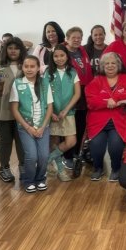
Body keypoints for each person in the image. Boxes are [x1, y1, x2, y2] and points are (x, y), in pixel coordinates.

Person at [86, 52, 126, 181]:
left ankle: (116, 169)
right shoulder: (96, 81)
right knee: (96, 146)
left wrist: (117, 98)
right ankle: (98, 168)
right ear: (102, 66)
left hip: (120, 120)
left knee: (115, 145)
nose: (110, 66)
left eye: (113, 63)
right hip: (98, 121)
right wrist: (108, 102)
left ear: (118, 65)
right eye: (107, 63)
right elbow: (91, 101)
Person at [10, 55, 53, 193]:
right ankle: (28, 180)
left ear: (38, 68)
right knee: (31, 155)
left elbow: (50, 107)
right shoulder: (17, 83)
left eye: (32, 66)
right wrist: (28, 127)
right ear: (22, 67)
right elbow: (14, 109)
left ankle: (40, 179)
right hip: (25, 127)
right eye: (26, 66)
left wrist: (42, 127)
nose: (29, 69)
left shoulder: (45, 83)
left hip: (43, 126)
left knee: (44, 156)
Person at [0, 37, 26, 183]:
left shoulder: (26, 66)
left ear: (21, 50)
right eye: (10, 48)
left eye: (16, 48)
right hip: (2, 110)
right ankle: (4, 168)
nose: (13, 51)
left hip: (23, 111)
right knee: (5, 140)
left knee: (22, 141)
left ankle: (23, 167)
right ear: (5, 50)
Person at [47, 44, 81, 182]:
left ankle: (47, 160)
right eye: (56, 56)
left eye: (62, 55)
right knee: (54, 142)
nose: (59, 58)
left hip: (68, 113)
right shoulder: (48, 73)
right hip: (52, 113)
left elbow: (77, 94)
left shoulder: (72, 72)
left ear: (67, 56)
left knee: (71, 141)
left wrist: (66, 110)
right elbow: (45, 94)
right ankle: (61, 171)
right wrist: (50, 113)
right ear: (52, 57)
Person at [61, 26, 94, 168]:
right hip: (69, 93)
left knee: (81, 125)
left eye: (79, 38)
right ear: (66, 39)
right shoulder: (62, 53)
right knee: (69, 126)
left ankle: (75, 152)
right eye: (73, 37)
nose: (76, 40)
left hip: (83, 93)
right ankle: (66, 156)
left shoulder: (82, 51)